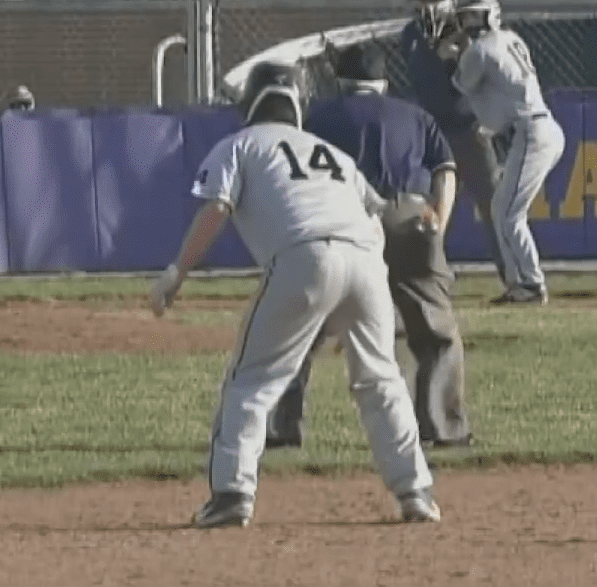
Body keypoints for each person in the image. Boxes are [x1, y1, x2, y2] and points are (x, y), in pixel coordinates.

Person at [150, 61, 439, 529]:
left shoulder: (239, 145)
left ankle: (231, 494)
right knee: (380, 380)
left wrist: (175, 273)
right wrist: (358, 301)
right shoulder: (331, 153)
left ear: (251, 103)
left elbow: (214, 211)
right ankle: (415, 493)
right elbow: (379, 214)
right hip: (367, 260)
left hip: (304, 257)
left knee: (252, 380)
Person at [267, 44, 474, 450]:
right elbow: (446, 174)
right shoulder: (417, 116)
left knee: (299, 328)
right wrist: (437, 230)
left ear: (342, 81)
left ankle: (280, 428)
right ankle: (443, 428)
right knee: (435, 333)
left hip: (341, 217)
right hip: (409, 216)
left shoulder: (316, 116)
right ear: (383, 82)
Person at [440, 0, 566, 303]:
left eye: (473, 14)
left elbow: (459, 85)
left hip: (531, 131)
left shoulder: (478, 51)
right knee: (503, 210)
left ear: (487, 15)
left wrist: (448, 55)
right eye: (465, 15)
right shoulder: (511, 38)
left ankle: (529, 284)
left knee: (507, 213)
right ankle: (521, 283)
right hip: (539, 127)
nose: (468, 20)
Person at [397, 0, 510, 286]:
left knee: (493, 204)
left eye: (433, 1)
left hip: (469, 129)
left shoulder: (469, 36)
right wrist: (440, 50)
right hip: (432, 133)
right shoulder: (411, 34)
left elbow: (478, 77)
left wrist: (461, 52)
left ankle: (513, 275)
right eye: (422, 2)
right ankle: (427, 272)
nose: (427, 8)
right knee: (428, 208)